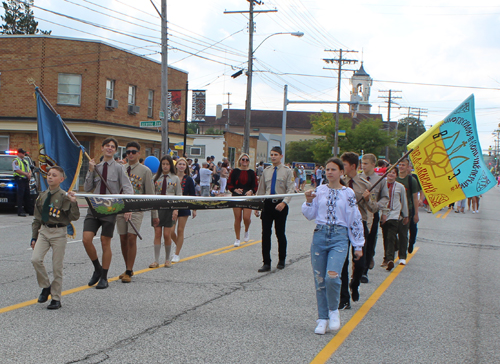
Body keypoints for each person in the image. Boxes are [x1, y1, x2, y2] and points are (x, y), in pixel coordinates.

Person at [302, 158, 364, 334]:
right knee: (320, 280)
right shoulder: (319, 191)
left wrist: (358, 245)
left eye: (334, 169)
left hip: (339, 236)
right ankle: (322, 318)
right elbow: (310, 214)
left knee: (332, 276)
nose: (329, 172)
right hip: (320, 235)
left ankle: (334, 309)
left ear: (341, 172)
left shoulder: (348, 193)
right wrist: (308, 201)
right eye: (327, 169)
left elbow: (355, 219)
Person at [83, 137, 133, 289]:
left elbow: (127, 187)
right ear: (102, 148)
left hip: (110, 207)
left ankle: (104, 276)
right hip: (95, 206)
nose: (110, 148)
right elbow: (87, 188)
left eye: (112, 147)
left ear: (115, 150)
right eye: (107, 146)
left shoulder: (119, 168)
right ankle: (97, 268)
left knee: (105, 241)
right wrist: (90, 171)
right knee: (86, 239)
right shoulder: (96, 166)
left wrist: (128, 207)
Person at [30, 166, 80, 309]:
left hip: (58, 232)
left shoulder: (64, 196)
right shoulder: (42, 196)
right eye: (49, 174)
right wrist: (34, 237)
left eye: (54, 175)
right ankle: (46, 287)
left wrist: (73, 202)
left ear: (61, 179)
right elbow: (37, 219)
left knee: (57, 267)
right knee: (35, 259)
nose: (50, 177)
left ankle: (56, 298)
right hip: (44, 231)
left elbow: (74, 217)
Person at [339, 152, 377, 310]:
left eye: (344, 165)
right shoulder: (339, 183)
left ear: (353, 166)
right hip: (342, 226)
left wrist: (368, 199)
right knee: (343, 262)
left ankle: (354, 284)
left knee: (360, 262)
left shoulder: (365, 184)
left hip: (359, 226)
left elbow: (373, 208)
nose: (342, 168)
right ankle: (344, 298)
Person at [116, 141, 158, 283]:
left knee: (131, 237)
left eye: (134, 152)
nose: (131, 154)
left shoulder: (145, 171)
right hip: (121, 207)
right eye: (128, 152)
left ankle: (129, 270)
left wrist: (154, 215)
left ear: (139, 153)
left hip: (136, 208)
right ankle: (127, 266)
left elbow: (151, 194)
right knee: (122, 238)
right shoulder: (121, 168)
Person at [255, 146, 295, 272]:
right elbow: (261, 190)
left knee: (280, 233)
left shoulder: (287, 171)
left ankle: (282, 259)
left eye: (276, 154)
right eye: (271, 154)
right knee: (266, 234)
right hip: (268, 205)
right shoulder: (266, 171)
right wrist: (257, 206)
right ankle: (266, 262)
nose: (273, 157)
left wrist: (284, 203)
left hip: (280, 205)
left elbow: (290, 189)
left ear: (281, 156)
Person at [359, 153, 389, 283]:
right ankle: (358, 268)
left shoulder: (380, 180)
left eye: (366, 163)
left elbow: (385, 197)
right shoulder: (358, 179)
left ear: (373, 164)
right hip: (359, 213)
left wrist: (379, 206)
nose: (363, 166)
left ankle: (364, 270)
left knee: (370, 241)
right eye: (362, 163)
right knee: (360, 243)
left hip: (372, 213)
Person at [150, 155, 182, 268]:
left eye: (167, 164)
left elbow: (178, 195)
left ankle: (168, 259)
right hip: (158, 208)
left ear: (170, 166)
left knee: (167, 234)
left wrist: (176, 210)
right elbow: (152, 194)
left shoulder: (175, 178)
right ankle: (156, 260)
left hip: (169, 208)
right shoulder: (155, 178)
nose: (165, 166)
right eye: (163, 164)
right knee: (157, 233)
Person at [380, 166, 409, 270]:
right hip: (383, 214)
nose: (391, 174)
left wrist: (405, 215)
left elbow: (404, 201)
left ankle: (390, 259)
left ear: (396, 175)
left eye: (393, 173)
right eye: (389, 172)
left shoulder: (400, 187)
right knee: (385, 236)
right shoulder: (382, 185)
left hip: (394, 215)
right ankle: (386, 257)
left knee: (391, 237)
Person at [228, 153, 258, 247]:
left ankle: (246, 230)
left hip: (247, 196)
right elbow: (229, 183)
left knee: (246, 217)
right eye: (243, 159)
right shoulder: (235, 171)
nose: (245, 161)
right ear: (240, 161)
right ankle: (237, 238)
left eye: (246, 160)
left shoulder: (252, 173)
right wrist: (234, 189)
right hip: (237, 195)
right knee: (237, 218)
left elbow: (255, 185)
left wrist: (251, 191)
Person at [170, 157, 197, 263]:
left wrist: (194, 209)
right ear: (176, 165)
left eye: (183, 164)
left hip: (184, 206)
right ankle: (178, 245)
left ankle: (177, 253)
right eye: (179, 164)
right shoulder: (172, 178)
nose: (181, 166)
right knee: (171, 230)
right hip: (172, 206)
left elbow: (193, 194)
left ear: (186, 167)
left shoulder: (189, 179)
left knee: (180, 230)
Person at [396, 158, 420, 254]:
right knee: (394, 230)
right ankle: (398, 245)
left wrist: (416, 214)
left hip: (409, 208)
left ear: (408, 167)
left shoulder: (411, 180)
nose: (401, 167)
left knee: (412, 228)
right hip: (396, 208)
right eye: (400, 165)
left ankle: (411, 243)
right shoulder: (394, 178)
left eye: (403, 165)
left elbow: (415, 197)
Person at [12, 148, 34, 217]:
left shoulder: (26, 161)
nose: (24, 154)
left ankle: (30, 211)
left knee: (27, 195)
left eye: (24, 153)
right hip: (20, 179)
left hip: (26, 180)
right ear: (19, 153)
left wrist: (29, 174)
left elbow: (29, 169)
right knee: (20, 196)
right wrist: (26, 174)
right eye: (22, 153)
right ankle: (20, 211)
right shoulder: (16, 161)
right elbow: (17, 170)